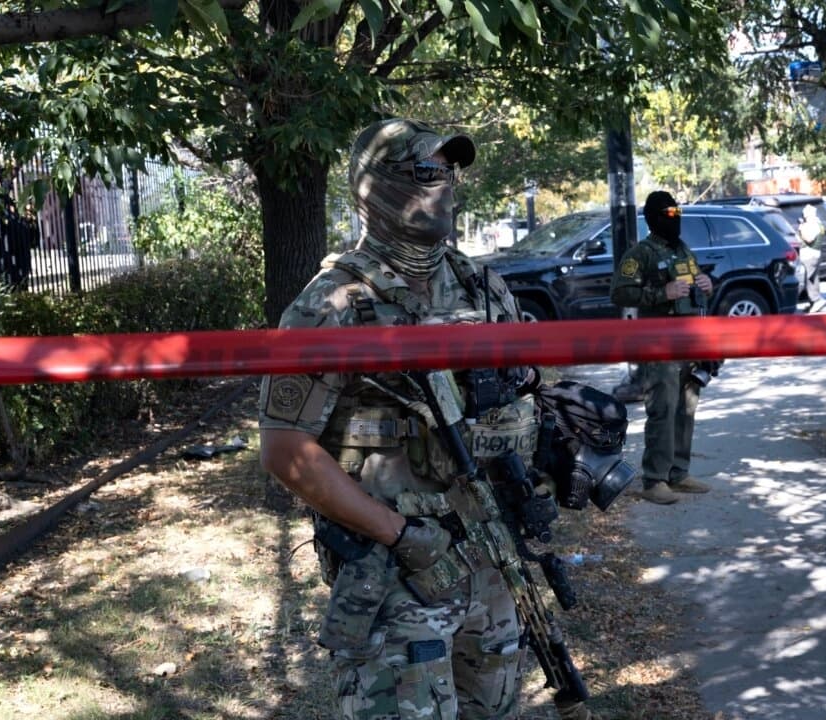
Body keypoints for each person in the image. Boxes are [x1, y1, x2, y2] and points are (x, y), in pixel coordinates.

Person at [258, 118, 595, 720]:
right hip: (396, 573)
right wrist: (399, 534)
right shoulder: (330, 306)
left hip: (492, 561)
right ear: (375, 187)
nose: (444, 185)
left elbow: (526, 386)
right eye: (425, 173)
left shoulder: (484, 288)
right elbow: (285, 449)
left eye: (450, 171)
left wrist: (558, 432)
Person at [610, 191, 713, 505]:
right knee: (663, 408)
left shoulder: (683, 250)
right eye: (668, 214)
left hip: (689, 338)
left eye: (677, 213)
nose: (675, 219)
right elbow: (620, 293)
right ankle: (654, 479)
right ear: (653, 218)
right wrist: (661, 292)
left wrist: (706, 285)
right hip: (660, 341)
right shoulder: (640, 254)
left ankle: (678, 473)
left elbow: (694, 286)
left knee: (687, 406)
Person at [797, 203, 826, 313]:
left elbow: (809, 239)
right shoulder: (818, 224)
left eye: (805, 216)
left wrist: (801, 229)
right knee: (813, 279)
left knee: (807, 279)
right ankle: (814, 302)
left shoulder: (812, 224)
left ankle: (816, 299)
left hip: (810, 256)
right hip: (815, 254)